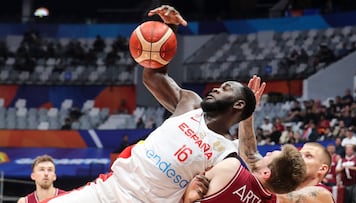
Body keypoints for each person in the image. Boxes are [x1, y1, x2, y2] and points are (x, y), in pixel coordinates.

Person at [42, 5, 257, 203]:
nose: (217, 88)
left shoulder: (228, 153)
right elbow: (152, 77)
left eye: (226, 88)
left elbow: (248, 166)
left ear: (238, 105)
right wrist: (168, 29)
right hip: (110, 189)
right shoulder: (191, 104)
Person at [185, 77, 334, 203]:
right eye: (301, 152)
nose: (300, 157)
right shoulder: (272, 187)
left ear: (322, 169)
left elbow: (279, 191)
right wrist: (248, 113)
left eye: (308, 156)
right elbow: (250, 154)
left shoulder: (321, 195)